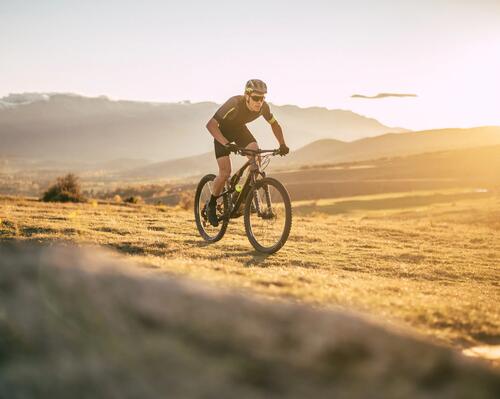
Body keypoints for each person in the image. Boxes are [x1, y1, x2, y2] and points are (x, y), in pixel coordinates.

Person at [205, 79, 289, 227]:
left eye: (262, 98)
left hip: (239, 131)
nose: (259, 102)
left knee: (256, 157)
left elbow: (274, 124)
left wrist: (282, 144)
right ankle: (211, 205)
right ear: (247, 96)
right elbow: (211, 125)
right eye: (256, 98)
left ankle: (242, 197)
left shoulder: (264, 108)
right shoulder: (234, 103)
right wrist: (226, 143)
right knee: (225, 173)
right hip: (222, 133)